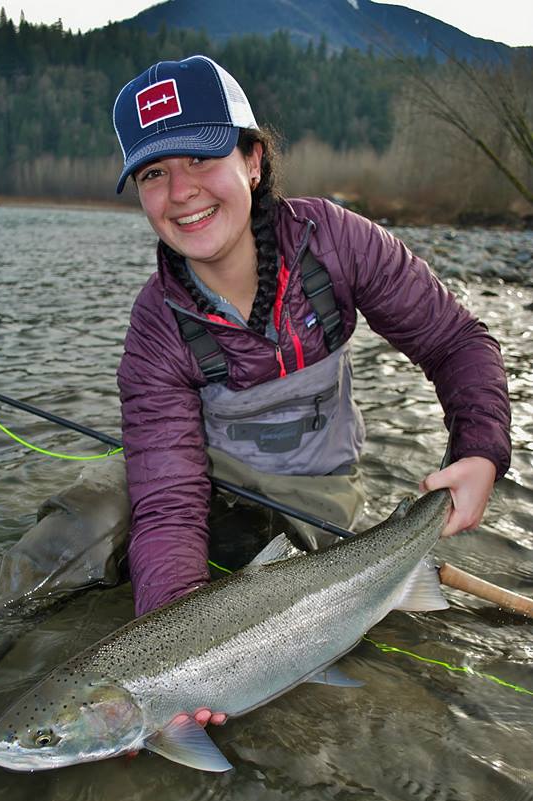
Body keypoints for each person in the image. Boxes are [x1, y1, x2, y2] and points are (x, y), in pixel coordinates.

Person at [113, 54, 511, 623]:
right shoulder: (156, 328)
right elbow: (170, 507)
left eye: (201, 157)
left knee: (250, 561)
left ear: (252, 160)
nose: (180, 192)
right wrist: (178, 643)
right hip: (208, 478)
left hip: (316, 490)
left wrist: (479, 452)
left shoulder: (336, 243)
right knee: (81, 524)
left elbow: (457, 343)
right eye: (153, 173)